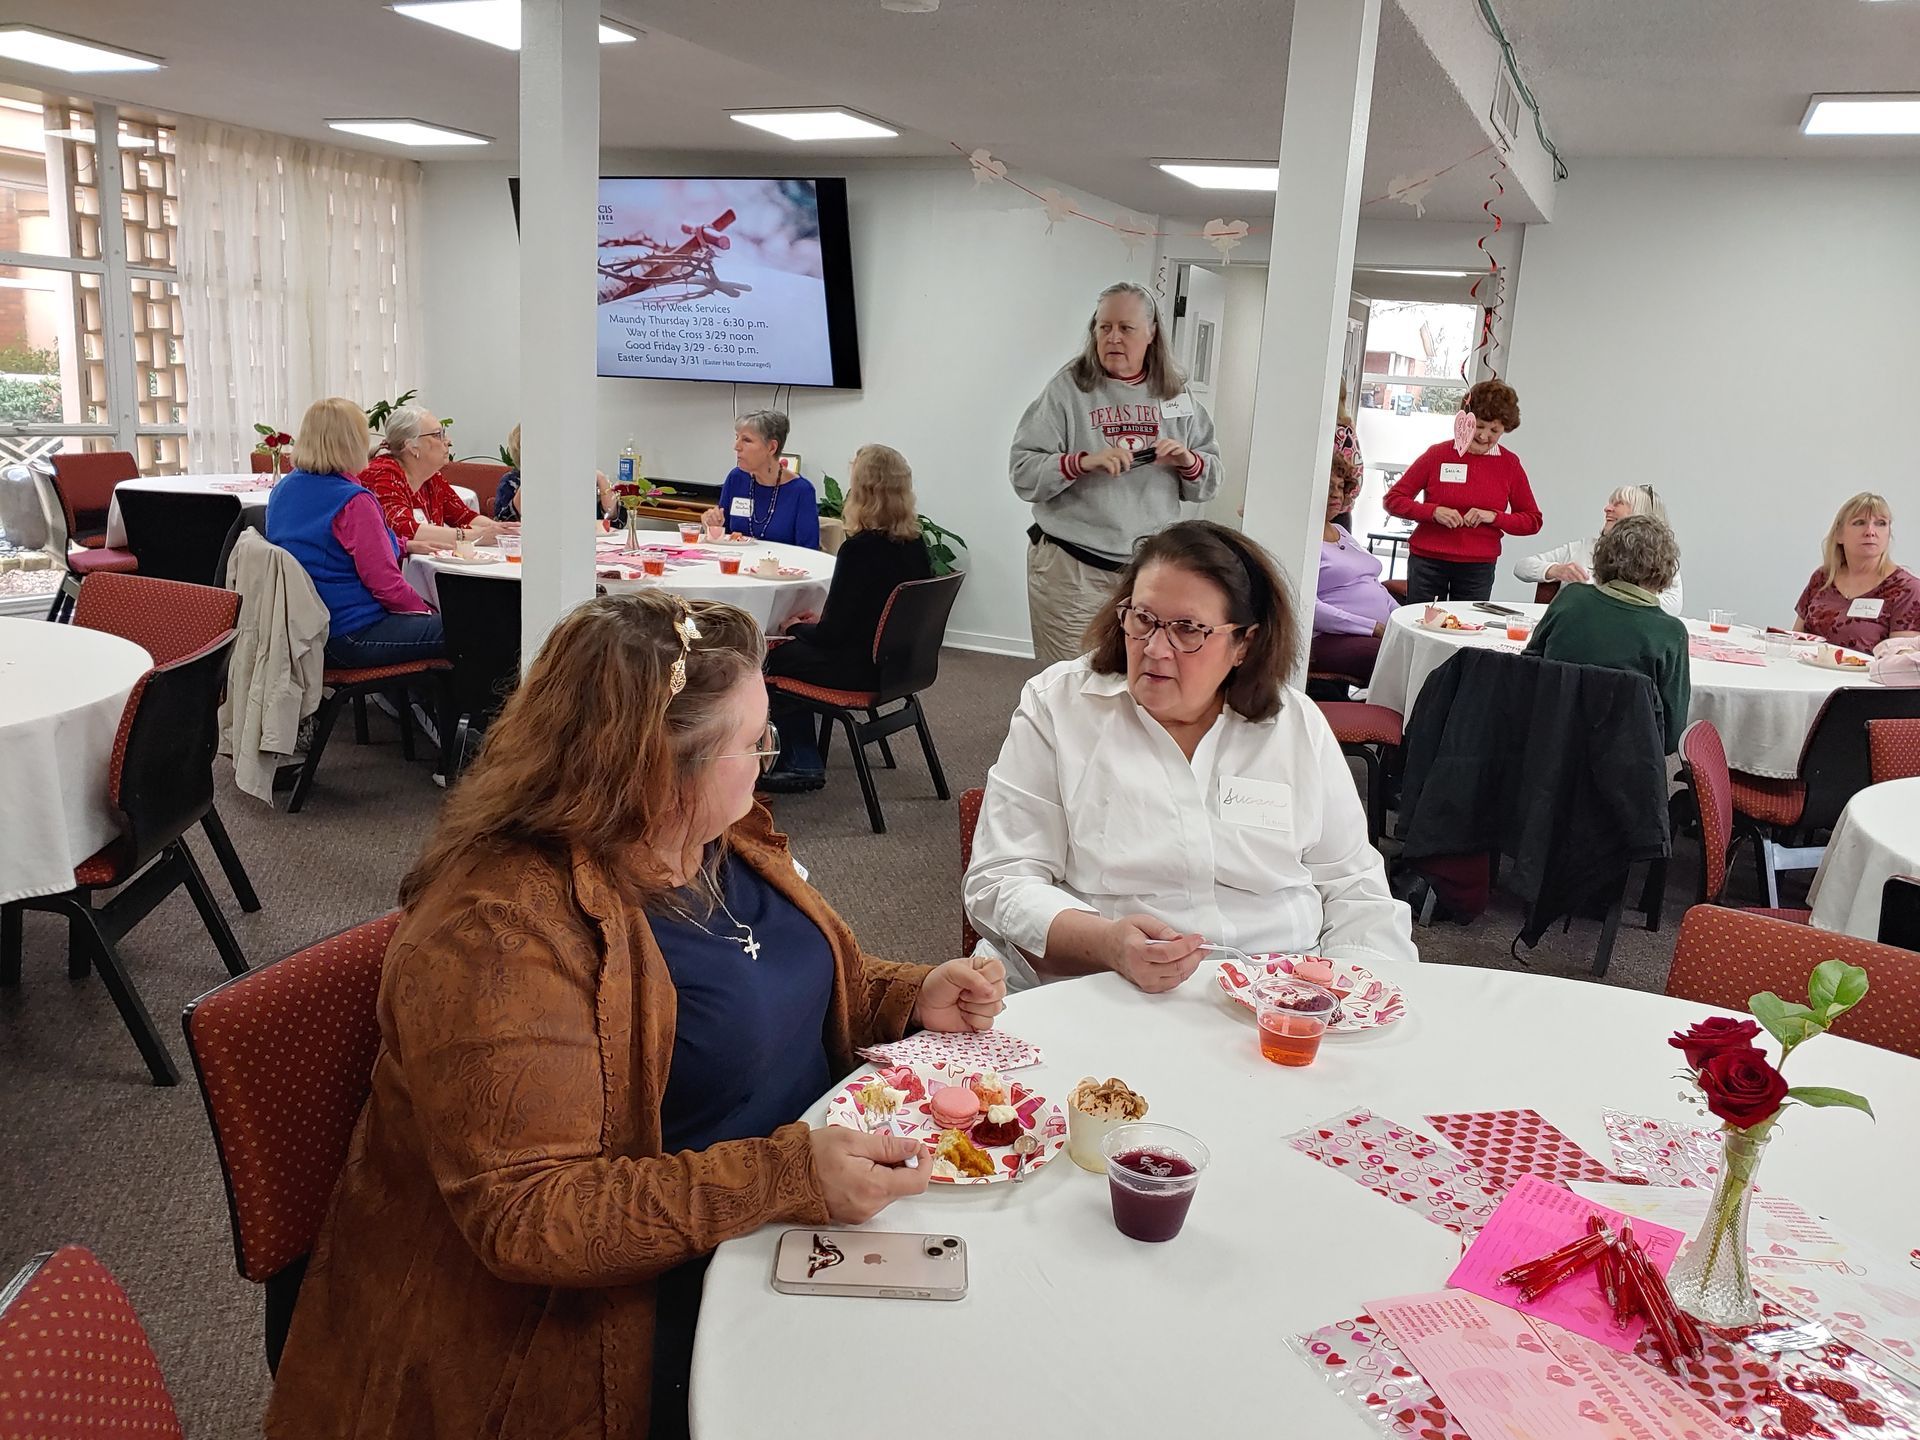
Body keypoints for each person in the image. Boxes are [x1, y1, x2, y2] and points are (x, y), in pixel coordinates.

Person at [264, 590, 1007, 1438]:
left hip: (787, 1212)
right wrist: (788, 1177)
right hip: (622, 1304)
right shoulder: (496, 932)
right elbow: (532, 1217)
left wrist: (903, 992)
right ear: (661, 765)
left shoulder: (709, 835)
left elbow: (773, 977)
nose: (767, 757)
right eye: (750, 742)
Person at [964, 519, 1415, 993]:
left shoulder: (1293, 724)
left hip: (1276, 997)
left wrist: (1349, 995)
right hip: (1101, 987)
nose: (1156, 649)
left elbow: (1354, 888)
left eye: (1187, 630)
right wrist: (1107, 943)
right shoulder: (1060, 706)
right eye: (1143, 620)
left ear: (1245, 643)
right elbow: (1000, 881)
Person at [1010, 281, 1223, 664]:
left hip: (1147, 575)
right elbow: (1023, 472)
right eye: (1104, 327)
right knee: (1072, 686)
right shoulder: (1068, 390)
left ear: (1152, 333)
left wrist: (1188, 461)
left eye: (1126, 328)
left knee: (1138, 681)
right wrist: (1081, 462)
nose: (1113, 338)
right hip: (1072, 569)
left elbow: (1209, 481)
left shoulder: (1175, 394)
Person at [761, 443, 933, 792]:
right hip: (900, 666)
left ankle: (800, 761)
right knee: (796, 641)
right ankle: (798, 754)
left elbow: (831, 636)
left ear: (863, 491)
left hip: (858, 668)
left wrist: (800, 628)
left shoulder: (859, 549)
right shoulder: (915, 545)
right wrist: (817, 624)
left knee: (773, 654)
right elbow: (868, 612)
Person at [265, 397, 445, 667]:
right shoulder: (352, 501)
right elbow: (387, 586)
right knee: (467, 627)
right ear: (352, 443)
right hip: (352, 632)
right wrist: (427, 611)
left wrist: (401, 544)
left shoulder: (284, 489)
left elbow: (323, 542)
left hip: (305, 632)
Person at [1523, 515, 1691, 753]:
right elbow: (1672, 736)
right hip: (1623, 769)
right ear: (1664, 570)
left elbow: (1528, 667)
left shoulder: (1571, 599)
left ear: (1602, 557)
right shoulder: (1671, 634)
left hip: (1547, 747)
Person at [1382, 378, 1542, 604]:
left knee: (1467, 629)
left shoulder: (1510, 464)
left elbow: (1532, 521)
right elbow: (1393, 500)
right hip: (1428, 561)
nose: (1484, 436)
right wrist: (1433, 512)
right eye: (1479, 426)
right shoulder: (1437, 455)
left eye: (1495, 430)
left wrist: (1494, 517)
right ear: (1465, 420)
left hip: (1477, 567)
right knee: (1422, 622)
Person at [359, 402, 513, 555]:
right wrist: (475, 536)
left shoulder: (431, 477)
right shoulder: (383, 474)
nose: (448, 441)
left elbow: (464, 516)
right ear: (413, 447)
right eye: (437, 435)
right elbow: (403, 530)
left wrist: (503, 532)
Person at [1514, 484, 1684, 616]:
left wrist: (1618, 601)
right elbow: (1522, 567)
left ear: (1638, 514)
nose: (1607, 508)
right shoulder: (1585, 547)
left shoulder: (1658, 557)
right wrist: (1555, 570)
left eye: (1618, 504)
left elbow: (1673, 605)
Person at [1793, 491, 1920, 652]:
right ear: (1839, 534)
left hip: (1865, 677)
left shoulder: (1907, 590)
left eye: (1881, 523)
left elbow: (1899, 665)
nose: (1870, 531)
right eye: (1859, 522)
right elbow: (1795, 640)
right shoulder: (1823, 578)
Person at [1312, 453, 1400, 684]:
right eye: (1328, 485)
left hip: (1375, 631)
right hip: (1330, 636)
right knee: (1397, 658)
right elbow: (1307, 606)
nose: (1335, 494)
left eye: (1341, 487)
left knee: (1419, 645)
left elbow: (1372, 583)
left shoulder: (1341, 533)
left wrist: (1402, 620)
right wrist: (1371, 628)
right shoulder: (1302, 539)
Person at [699, 410, 821, 549]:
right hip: (737, 564)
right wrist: (713, 526)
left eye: (746, 440)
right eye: (737, 437)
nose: (736, 447)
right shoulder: (736, 478)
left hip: (780, 568)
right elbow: (723, 536)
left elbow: (809, 551)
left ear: (771, 447)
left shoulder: (801, 491)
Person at [492, 421, 616, 522]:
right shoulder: (512, 480)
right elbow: (505, 522)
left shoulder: (577, 479)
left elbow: (613, 520)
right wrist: (533, 476)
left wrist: (600, 478)